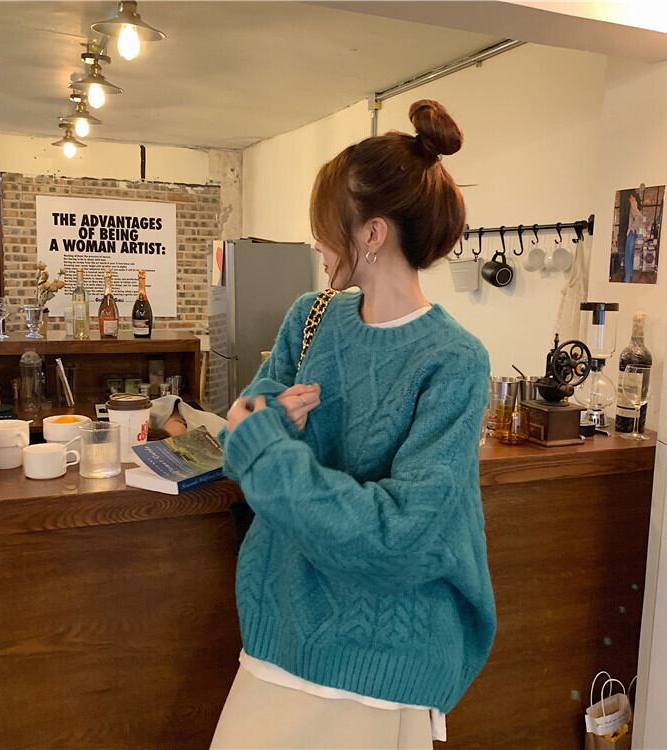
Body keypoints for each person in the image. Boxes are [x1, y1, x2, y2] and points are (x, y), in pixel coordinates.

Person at [210, 99, 496, 750]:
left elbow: (400, 535)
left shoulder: (453, 361)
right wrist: (261, 424)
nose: (315, 241)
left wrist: (265, 446)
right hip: (278, 628)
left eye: (324, 226)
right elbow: (240, 436)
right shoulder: (311, 317)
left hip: (379, 660)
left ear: (371, 234)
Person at [624, 190, 644, 283]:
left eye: (630, 197)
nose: (629, 199)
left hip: (631, 233)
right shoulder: (635, 204)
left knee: (628, 255)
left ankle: (627, 278)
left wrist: (632, 227)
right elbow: (639, 217)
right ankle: (630, 275)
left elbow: (639, 217)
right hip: (634, 233)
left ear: (633, 197)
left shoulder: (633, 204)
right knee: (630, 254)